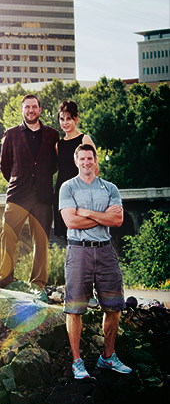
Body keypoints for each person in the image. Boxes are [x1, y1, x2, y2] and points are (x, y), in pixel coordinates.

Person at [59, 143, 131, 379]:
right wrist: (103, 218)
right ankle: (77, 361)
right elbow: (71, 222)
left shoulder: (110, 188)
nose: (87, 163)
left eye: (90, 158)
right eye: (82, 159)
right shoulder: (67, 187)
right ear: (76, 161)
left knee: (114, 306)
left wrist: (87, 213)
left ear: (95, 160)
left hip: (105, 251)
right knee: (75, 308)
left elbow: (118, 219)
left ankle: (107, 357)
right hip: (79, 252)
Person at [0, 94, 59, 302]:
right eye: (27, 107)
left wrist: (41, 180)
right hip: (18, 193)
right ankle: (5, 277)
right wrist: (20, 180)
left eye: (34, 107)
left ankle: (38, 283)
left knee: (42, 240)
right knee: (8, 234)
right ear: (22, 110)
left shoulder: (52, 135)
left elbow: (55, 164)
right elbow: (5, 165)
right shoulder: (11, 134)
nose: (31, 110)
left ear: (40, 110)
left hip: (44, 195)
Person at [54, 100, 96, 239]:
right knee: (68, 237)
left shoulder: (85, 139)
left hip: (81, 191)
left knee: (86, 234)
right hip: (63, 192)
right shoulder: (58, 145)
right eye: (62, 119)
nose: (65, 122)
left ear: (76, 119)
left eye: (69, 119)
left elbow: (95, 169)